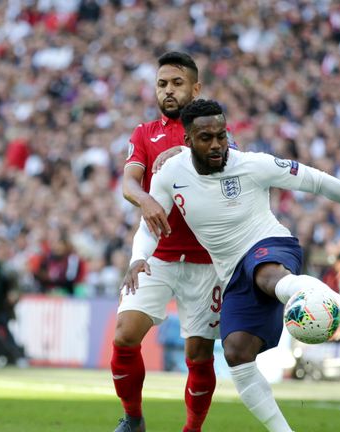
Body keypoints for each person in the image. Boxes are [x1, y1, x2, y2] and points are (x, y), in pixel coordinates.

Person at [124, 99, 340, 432]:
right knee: (235, 353)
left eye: (221, 135)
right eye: (206, 138)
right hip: (231, 273)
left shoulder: (252, 164)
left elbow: (316, 181)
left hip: (269, 244)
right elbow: (150, 225)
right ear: (187, 141)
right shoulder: (170, 174)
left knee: (267, 274)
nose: (217, 144)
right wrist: (138, 258)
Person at [113, 52, 226, 432]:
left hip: (204, 262)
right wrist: (143, 198)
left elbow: (229, 169)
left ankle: (192, 430)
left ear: (196, 88)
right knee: (125, 335)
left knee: (199, 353)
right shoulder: (144, 134)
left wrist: (184, 151)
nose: (168, 90)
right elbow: (130, 181)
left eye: (177, 83)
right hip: (157, 253)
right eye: (162, 84)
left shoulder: (213, 132)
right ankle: (133, 418)